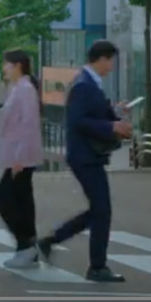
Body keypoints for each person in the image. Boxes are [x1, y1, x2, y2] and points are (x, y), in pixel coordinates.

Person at [37, 40, 129, 282]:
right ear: (102, 59)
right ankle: (96, 266)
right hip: (84, 156)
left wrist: (114, 113)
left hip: (88, 155)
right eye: (110, 62)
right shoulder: (83, 85)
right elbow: (78, 121)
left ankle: (52, 240)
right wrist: (111, 125)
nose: (111, 67)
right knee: (102, 210)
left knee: (99, 210)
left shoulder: (89, 84)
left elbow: (91, 114)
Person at [0, 49, 46, 267]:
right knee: (22, 200)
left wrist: (19, 158)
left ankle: (25, 244)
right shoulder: (17, 88)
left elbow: (29, 125)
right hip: (17, 156)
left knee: (3, 198)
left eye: (6, 65)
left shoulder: (24, 89)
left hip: (21, 157)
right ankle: (27, 247)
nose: (4, 69)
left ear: (17, 66)